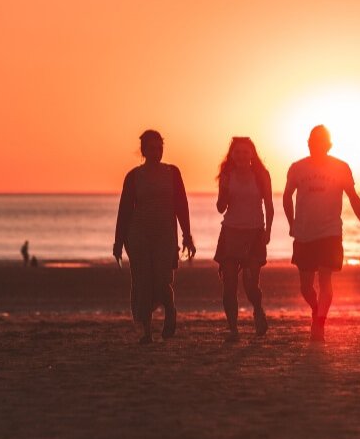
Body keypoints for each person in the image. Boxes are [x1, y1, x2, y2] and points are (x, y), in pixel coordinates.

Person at [283, 125, 360, 342]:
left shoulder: (341, 168)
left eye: (320, 142)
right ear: (308, 144)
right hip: (304, 234)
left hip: (330, 232)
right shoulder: (297, 168)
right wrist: (292, 223)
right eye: (312, 142)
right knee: (306, 287)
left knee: (325, 281)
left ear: (329, 145)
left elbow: (353, 197)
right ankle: (316, 310)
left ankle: (320, 322)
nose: (315, 146)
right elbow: (287, 196)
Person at [113, 130, 196, 344]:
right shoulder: (133, 176)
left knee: (162, 280)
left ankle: (170, 309)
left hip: (165, 234)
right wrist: (118, 241)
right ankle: (147, 332)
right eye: (152, 148)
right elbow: (124, 210)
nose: (157, 152)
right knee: (142, 282)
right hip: (139, 234)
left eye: (160, 147)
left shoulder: (172, 173)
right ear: (143, 151)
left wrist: (187, 235)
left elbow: (181, 205)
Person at [214, 137, 274, 342]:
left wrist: (268, 231)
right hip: (231, 232)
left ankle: (258, 309)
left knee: (250, 283)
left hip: (254, 232)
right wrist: (224, 190)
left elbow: (269, 205)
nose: (241, 156)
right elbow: (220, 207)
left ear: (252, 155)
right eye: (237, 152)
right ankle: (233, 330)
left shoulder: (261, 175)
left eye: (245, 152)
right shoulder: (227, 175)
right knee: (229, 283)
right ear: (232, 155)